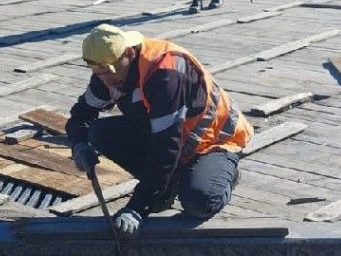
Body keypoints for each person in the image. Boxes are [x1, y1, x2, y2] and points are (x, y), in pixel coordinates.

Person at [65, 24, 252, 240]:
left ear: (129, 52)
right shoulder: (107, 73)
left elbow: (166, 147)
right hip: (169, 136)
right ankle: (164, 188)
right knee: (98, 132)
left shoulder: (165, 73)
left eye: (110, 71)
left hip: (212, 142)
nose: (107, 80)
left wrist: (137, 208)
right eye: (99, 73)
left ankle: (224, 175)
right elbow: (82, 115)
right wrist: (79, 143)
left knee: (200, 202)